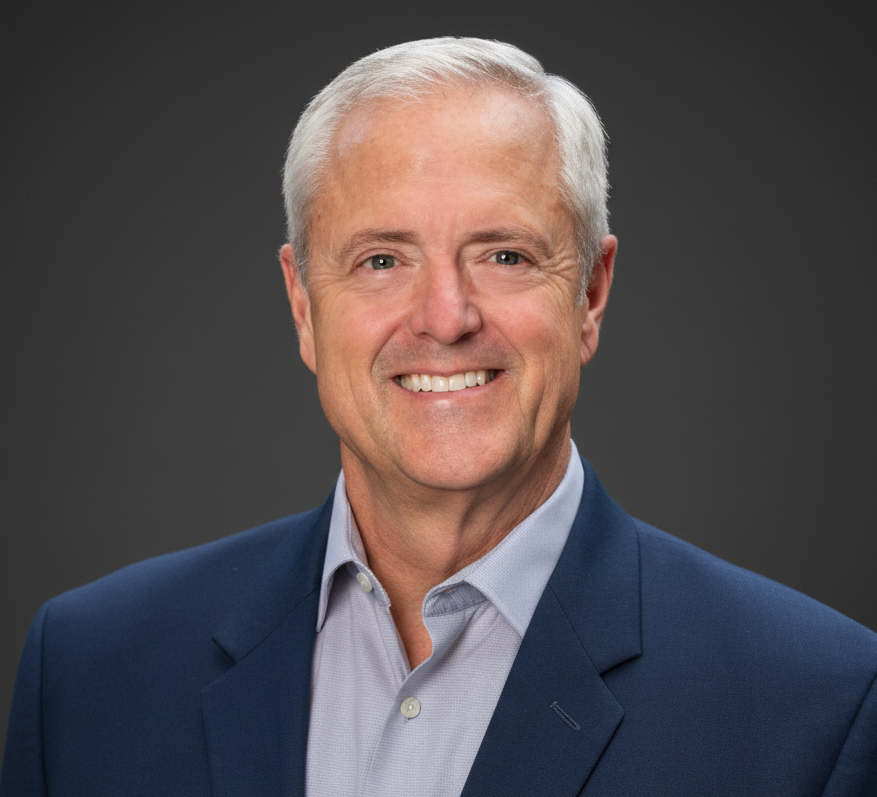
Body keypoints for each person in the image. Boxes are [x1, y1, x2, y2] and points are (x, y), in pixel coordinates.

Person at [2, 37, 875, 797]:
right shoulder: (90, 672)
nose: (446, 316)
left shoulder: (817, 702)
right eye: (381, 260)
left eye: (504, 254)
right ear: (303, 305)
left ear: (591, 295)